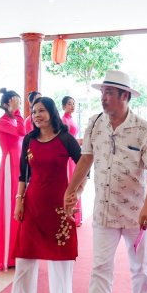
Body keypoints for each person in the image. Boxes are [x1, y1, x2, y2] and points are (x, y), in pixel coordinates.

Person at [64, 69, 147, 293]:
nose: (104, 97)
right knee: (100, 270)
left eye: (109, 92)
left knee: (139, 269)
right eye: (102, 92)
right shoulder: (95, 123)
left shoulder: (143, 129)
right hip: (104, 212)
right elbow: (86, 159)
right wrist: (71, 190)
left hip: (135, 214)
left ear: (125, 96)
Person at [5, 97, 85, 293]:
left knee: (60, 260)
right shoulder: (29, 140)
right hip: (33, 206)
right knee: (24, 261)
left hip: (59, 208)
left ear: (51, 113)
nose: (37, 115)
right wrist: (19, 201)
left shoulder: (65, 138)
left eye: (41, 111)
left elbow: (84, 166)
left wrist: (76, 193)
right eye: (34, 111)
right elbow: (23, 174)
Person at [0, 88, 25, 271]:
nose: (18, 106)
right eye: (15, 103)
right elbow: (21, 131)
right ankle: (8, 256)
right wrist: (18, 112)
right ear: (6, 105)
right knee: (10, 208)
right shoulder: (3, 122)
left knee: (21, 206)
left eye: (19, 103)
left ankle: (19, 252)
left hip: (19, 165)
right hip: (9, 166)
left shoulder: (13, 120)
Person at [61, 95, 83, 225]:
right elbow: (65, 139)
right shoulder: (63, 120)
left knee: (78, 181)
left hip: (74, 154)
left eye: (73, 103)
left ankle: (76, 215)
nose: (72, 106)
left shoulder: (71, 119)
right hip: (68, 155)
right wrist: (78, 141)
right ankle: (70, 213)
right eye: (69, 103)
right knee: (71, 181)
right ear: (64, 106)